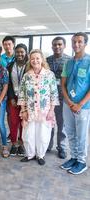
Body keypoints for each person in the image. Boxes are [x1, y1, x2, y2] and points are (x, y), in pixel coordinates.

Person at [18, 49, 59, 166]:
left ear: (42, 59)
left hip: (44, 111)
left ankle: (40, 155)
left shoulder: (49, 75)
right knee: (28, 134)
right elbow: (22, 94)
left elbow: (54, 94)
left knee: (43, 134)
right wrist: (23, 110)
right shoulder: (26, 76)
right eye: (32, 59)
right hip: (30, 111)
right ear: (29, 61)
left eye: (37, 58)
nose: (35, 61)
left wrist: (51, 111)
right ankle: (30, 154)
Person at [60, 32, 90, 175]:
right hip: (68, 104)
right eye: (74, 42)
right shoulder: (68, 62)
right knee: (70, 132)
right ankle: (73, 157)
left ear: (85, 43)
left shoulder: (89, 61)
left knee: (81, 134)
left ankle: (82, 161)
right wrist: (69, 101)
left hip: (83, 106)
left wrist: (80, 104)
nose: (76, 44)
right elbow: (63, 83)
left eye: (79, 41)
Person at [46, 37, 71, 159]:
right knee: (48, 123)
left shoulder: (69, 60)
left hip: (62, 97)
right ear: (52, 46)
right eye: (55, 45)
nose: (57, 47)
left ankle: (61, 147)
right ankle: (47, 145)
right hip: (48, 98)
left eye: (60, 44)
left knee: (62, 125)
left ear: (64, 46)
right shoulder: (47, 60)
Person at [7, 44, 29, 157]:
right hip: (14, 98)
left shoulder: (29, 65)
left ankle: (22, 144)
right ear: (15, 53)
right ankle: (14, 144)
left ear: (26, 52)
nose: (20, 54)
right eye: (18, 52)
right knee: (14, 122)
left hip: (26, 99)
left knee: (23, 122)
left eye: (22, 52)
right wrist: (11, 98)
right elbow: (8, 83)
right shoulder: (10, 66)